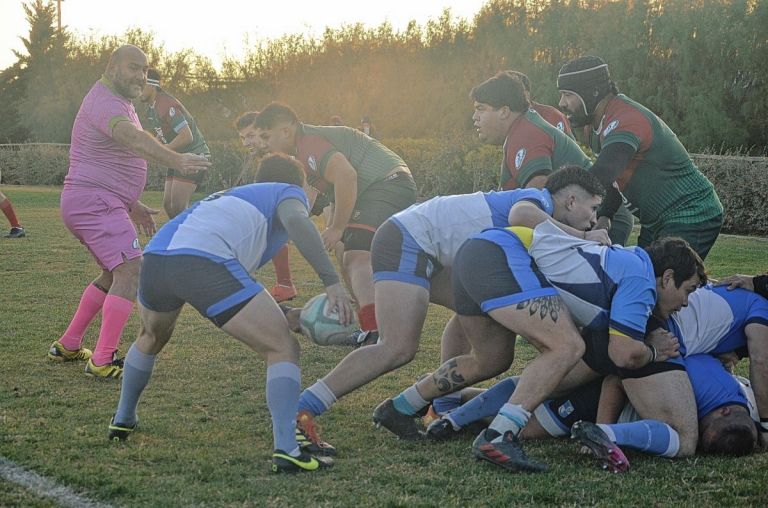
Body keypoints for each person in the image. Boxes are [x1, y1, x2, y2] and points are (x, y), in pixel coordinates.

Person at [295, 166, 611, 455]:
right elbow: (521, 215)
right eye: (593, 208)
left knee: (492, 351)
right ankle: (301, 409)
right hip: (408, 241)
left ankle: (430, 406)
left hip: (437, 252)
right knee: (396, 347)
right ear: (570, 201)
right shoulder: (536, 201)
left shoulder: (545, 216)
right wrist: (582, 237)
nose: (594, 219)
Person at [374, 230, 703, 471]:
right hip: (502, 257)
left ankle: (405, 407)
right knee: (565, 348)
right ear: (667, 277)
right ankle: (498, 434)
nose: (686, 302)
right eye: (687, 291)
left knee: (491, 360)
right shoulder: (642, 279)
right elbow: (623, 353)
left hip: (479, 250)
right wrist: (654, 353)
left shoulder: (626, 260)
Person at [107, 154, 354, 474]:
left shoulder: (235, 199)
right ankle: (287, 450)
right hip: (203, 261)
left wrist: (283, 313)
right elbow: (296, 221)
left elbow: (231, 283)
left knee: (151, 337)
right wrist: (332, 283)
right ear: (300, 181)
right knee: (282, 347)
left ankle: (123, 419)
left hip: (157, 257)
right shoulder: (286, 192)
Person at [47, 45, 210, 378]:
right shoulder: (106, 102)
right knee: (132, 271)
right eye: (133, 67)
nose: (141, 75)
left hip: (95, 200)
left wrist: (131, 203)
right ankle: (103, 359)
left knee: (113, 274)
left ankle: (69, 344)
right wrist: (176, 159)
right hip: (95, 202)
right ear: (113, 66)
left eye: (145, 70)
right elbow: (131, 139)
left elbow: (109, 157)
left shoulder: (119, 101)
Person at [254, 102, 418, 345]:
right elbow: (311, 198)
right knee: (343, 252)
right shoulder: (301, 151)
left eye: (266, 136)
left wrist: (337, 227)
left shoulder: (308, 143)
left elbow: (346, 175)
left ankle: (376, 333)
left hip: (386, 183)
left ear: (286, 131)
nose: (263, 144)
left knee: (356, 257)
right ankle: (368, 325)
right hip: (379, 187)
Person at [557, 56, 723, 259]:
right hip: (656, 219)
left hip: (690, 213)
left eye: (568, 94)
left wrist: (553, 200)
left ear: (592, 92)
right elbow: (615, 179)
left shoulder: (627, 118)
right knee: (641, 275)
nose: (562, 103)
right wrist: (605, 215)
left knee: (662, 282)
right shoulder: (592, 127)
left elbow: (604, 171)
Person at [471, 70, 634, 245]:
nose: (474, 118)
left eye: (480, 109)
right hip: (595, 217)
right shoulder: (521, 129)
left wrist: (583, 236)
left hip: (600, 220)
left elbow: (536, 209)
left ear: (504, 111)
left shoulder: (526, 134)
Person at [235, 111, 298, 302]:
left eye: (251, 136)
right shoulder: (268, 156)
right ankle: (284, 285)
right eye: (243, 138)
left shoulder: (283, 154)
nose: (246, 143)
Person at [139, 68, 211, 219]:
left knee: (178, 205)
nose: (138, 90)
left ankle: (195, 236)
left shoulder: (166, 104)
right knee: (169, 205)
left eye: (142, 85)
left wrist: (162, 151)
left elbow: (187, 136)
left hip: (194, 154)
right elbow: (161, 137)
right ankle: (180, 237)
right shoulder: (152, 108)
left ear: (152, 85)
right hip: (178, 157)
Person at [507, 70, 573, 137]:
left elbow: (567, 145)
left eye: (513, 93)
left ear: (526, 94)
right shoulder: (506, 120)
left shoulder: (551, 116)